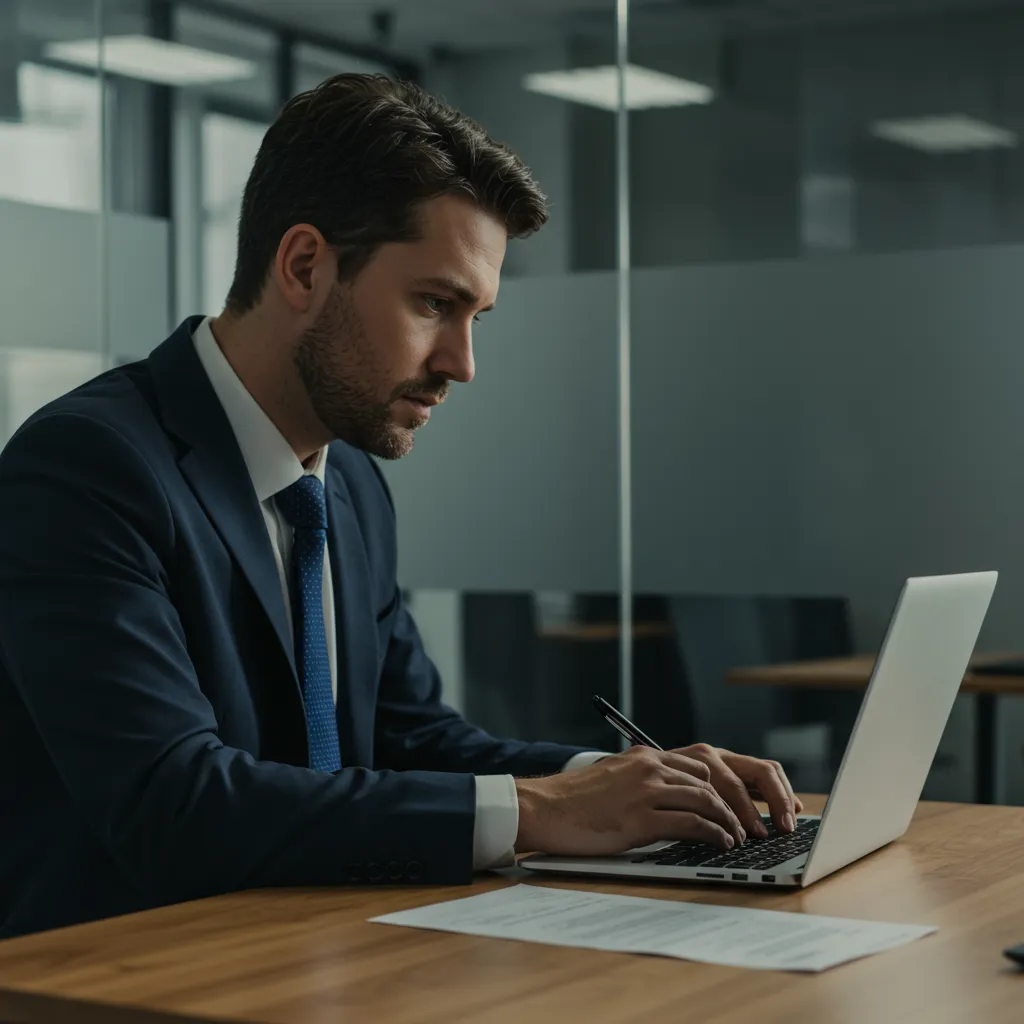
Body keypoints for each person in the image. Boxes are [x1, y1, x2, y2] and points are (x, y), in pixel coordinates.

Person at [0, 74, 801, 939]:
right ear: (305, 265)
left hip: (313, 950)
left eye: (477, 318)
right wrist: (540, 809)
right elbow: (173, 802)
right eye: (434, 304)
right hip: (120, 970)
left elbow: (411, 738)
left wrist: (627, 781)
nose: (461, 363)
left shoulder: (346, 486)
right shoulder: (87, 467)